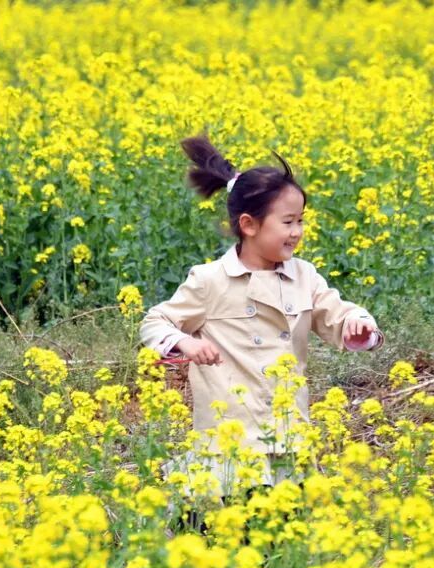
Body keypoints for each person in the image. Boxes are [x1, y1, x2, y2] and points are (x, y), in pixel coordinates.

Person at [140, 134, 383, 496]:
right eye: (287, 222)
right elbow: (155, 322)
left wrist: (357, 326)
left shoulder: (304, 275)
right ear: (249, 225)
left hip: (288, 437)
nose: (297, 232)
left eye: (300, 220)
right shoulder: (210, 280)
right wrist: (185, 344)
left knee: (282, 540)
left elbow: (336, 312)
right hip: (231, 444)